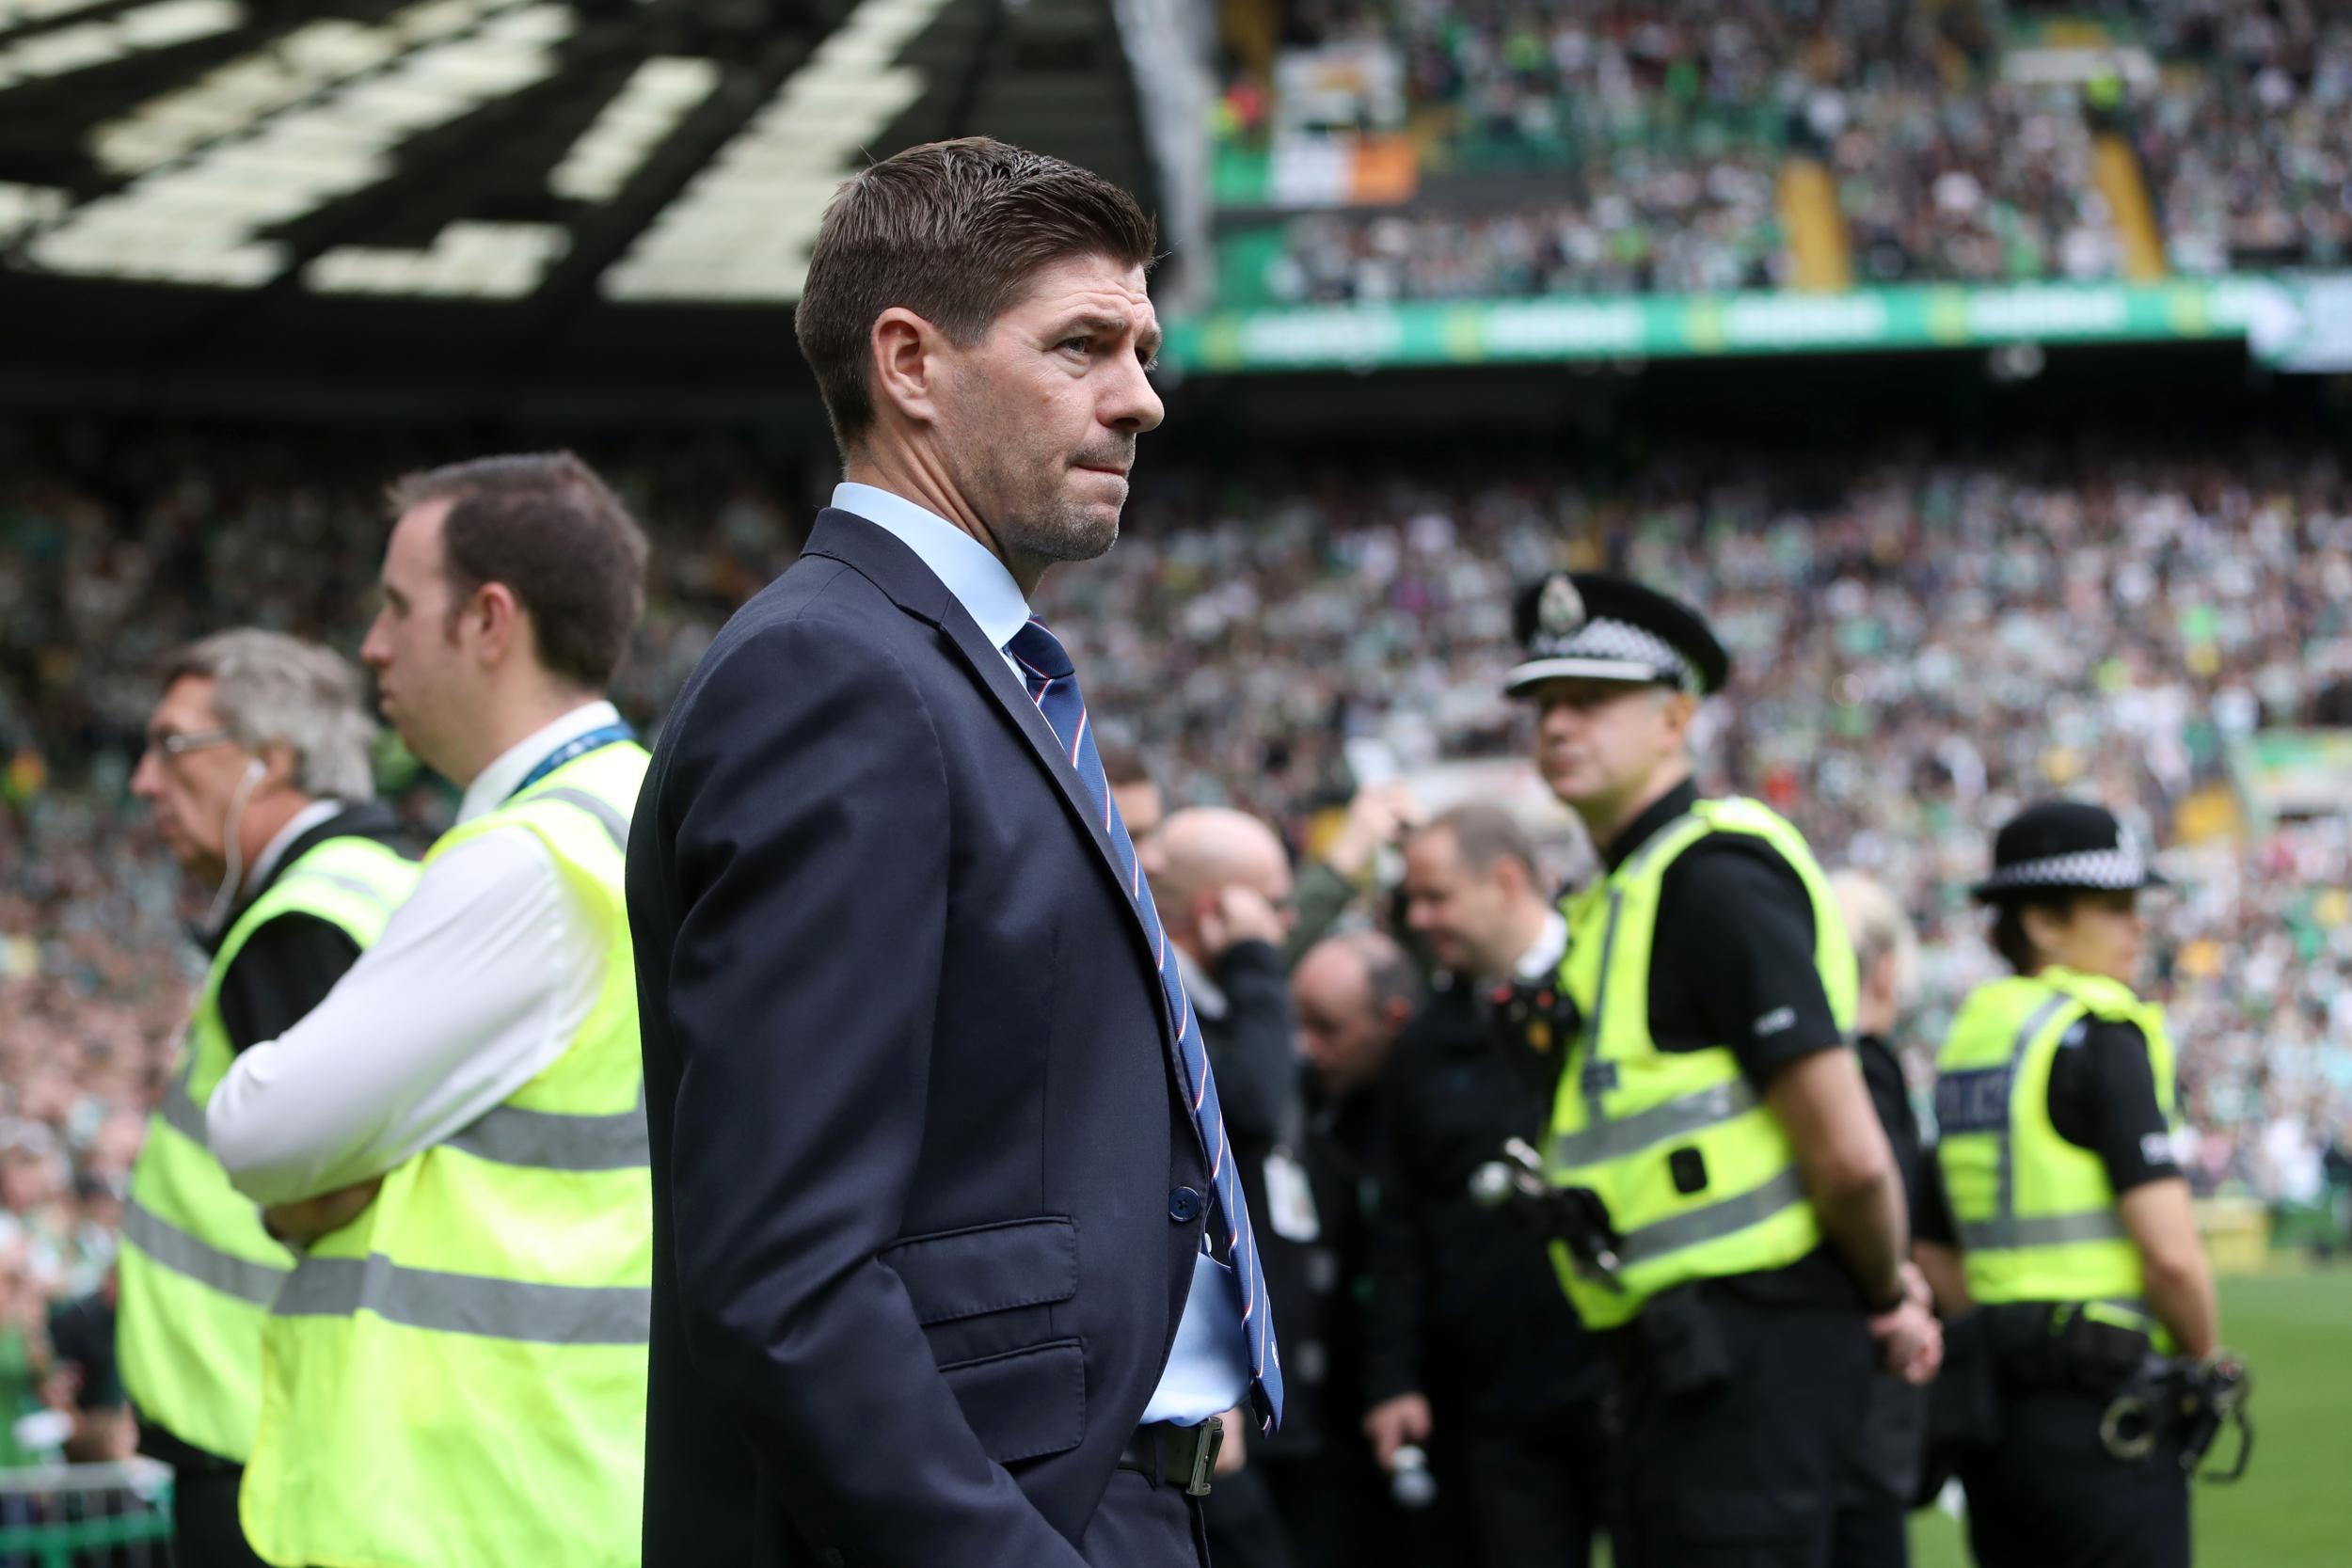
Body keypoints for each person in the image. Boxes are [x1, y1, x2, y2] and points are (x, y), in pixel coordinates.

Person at [628, 137, 1280, 1568]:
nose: (1143, 399)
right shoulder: (835, 678)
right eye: (1084, 347)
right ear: (910, 363)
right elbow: (787, 1272)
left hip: (1098, 1485)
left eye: (1145, 348)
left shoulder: (944, 667)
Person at [205, 452, 654, 1568]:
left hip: (476, 1500)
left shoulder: (528, 859)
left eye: (399, 607)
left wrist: (323, 1184)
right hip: (575, 1475)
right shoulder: (634, 804)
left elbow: (260, 1129)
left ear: (489, 620)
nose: (370, 645)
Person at [1510, 571, 1940, 1568]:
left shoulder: (1714, 880)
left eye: (1590, 700)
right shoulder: (1623, 892)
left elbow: (1849, 1151)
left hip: (1759, 1342)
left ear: (1676, 716)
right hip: (1677, 1354)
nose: (1557, 724)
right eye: (1543, 703)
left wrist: (1886, 1290)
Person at [116, 629, 417, 1568]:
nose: (143, 781)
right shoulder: (378, 880)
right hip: (295, 1433)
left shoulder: (304, 916)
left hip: (265, 1444)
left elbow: (334, 1185)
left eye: (172, 744)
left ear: (270, 758)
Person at [1923, 800, 2221, 1568]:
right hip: (2106, 1408)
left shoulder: (1974, 1036)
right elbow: (2172, 1255)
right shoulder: (2103, 1032)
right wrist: (2206, 1361)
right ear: (2043, 924)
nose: (2137, 927)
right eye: (2115, 908)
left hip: (1997, 1414)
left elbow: (1931, 1244)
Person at [1365, 803, 1607, 1568]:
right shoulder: (1423, 1048)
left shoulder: (1612, 993)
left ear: (1505, 880)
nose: (1420, 918)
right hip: (1500, 1397)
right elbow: (1398, 1222)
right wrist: (1394, 1375)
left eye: (1437, 897)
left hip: (1634, 1369)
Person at [1148, 808, 1309, 1568]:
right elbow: (1256, 1103)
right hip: (1192, 1384)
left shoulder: (1209, 999)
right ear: (1217, 910)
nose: (1289, 921)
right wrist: (1253, 959)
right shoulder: (1159, 997)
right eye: (1274, 906)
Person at [1287, 933, 1423, 1568]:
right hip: (1323, 1407)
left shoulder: (1424, 1116)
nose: (1307, 1048)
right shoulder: (1314, 1105)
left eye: (1328, 1028)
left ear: (1392, 1020)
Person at [1827, 872, 1932, 1568]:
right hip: (1856, 1392)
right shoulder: (1864, 1070)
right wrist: (1895, 1287)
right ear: (1886, 970)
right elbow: (1866, 1183)